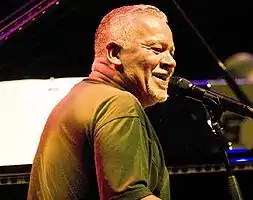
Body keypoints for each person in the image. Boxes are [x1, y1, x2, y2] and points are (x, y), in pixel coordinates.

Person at [27, 4, 176, 200]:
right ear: (114, 54)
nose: (170, 62)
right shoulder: (118, 103)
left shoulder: (79, 96)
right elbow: (127, 197)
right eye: (157, 50)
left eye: (171, 53)